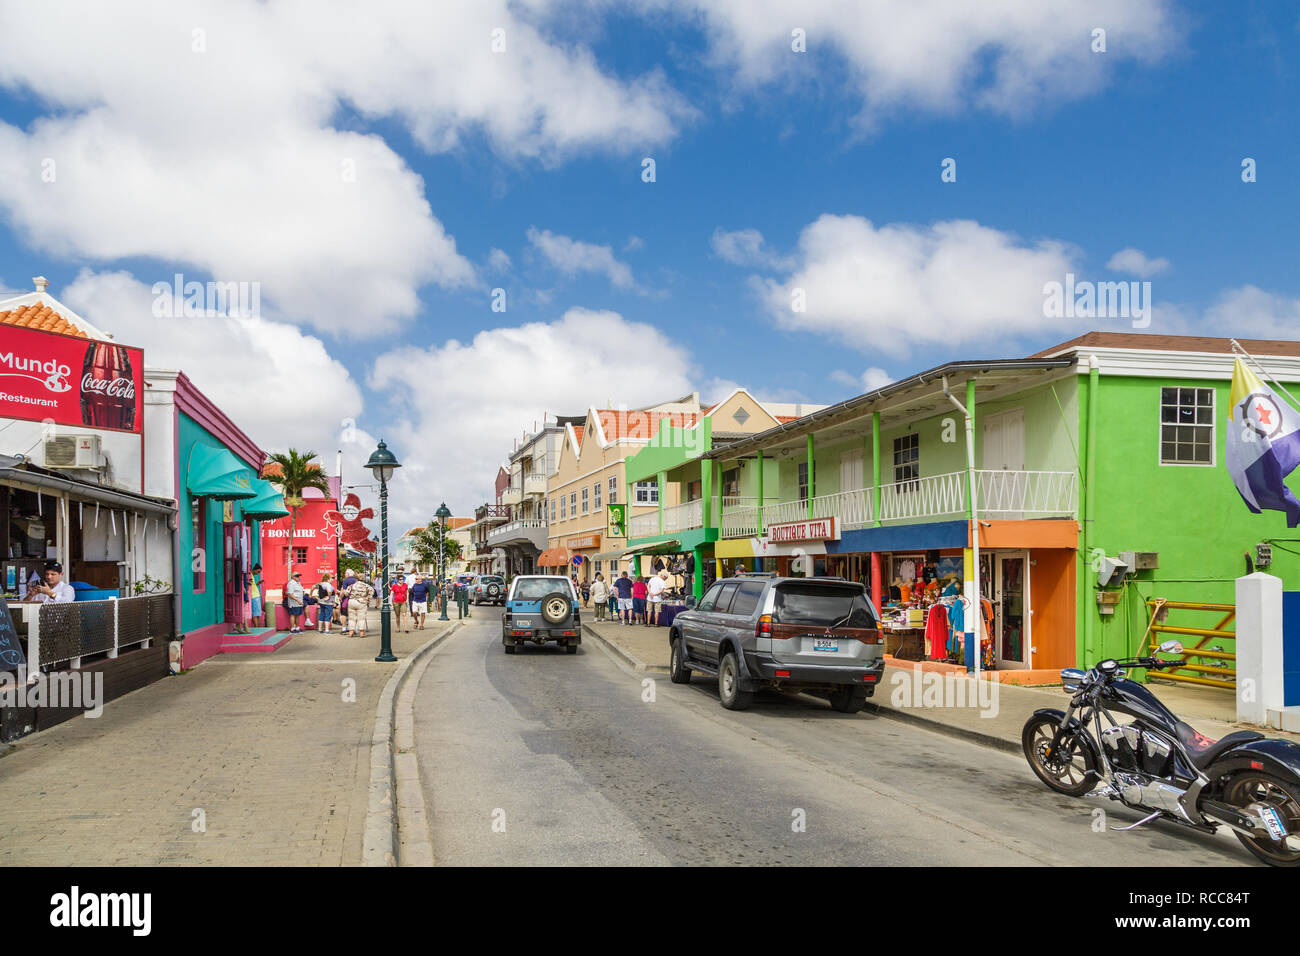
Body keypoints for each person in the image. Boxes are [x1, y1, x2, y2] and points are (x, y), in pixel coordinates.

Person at [249, 563, 264, 628]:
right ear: (255, 569)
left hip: (256, 596)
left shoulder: (251, 576)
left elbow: (252, 586)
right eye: (258, 571)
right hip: (254, 597)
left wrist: (258, 583)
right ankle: (256, 628)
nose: (258, 573)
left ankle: (258, 627)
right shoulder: (249, 575)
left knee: (257, 614)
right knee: (255, 614)